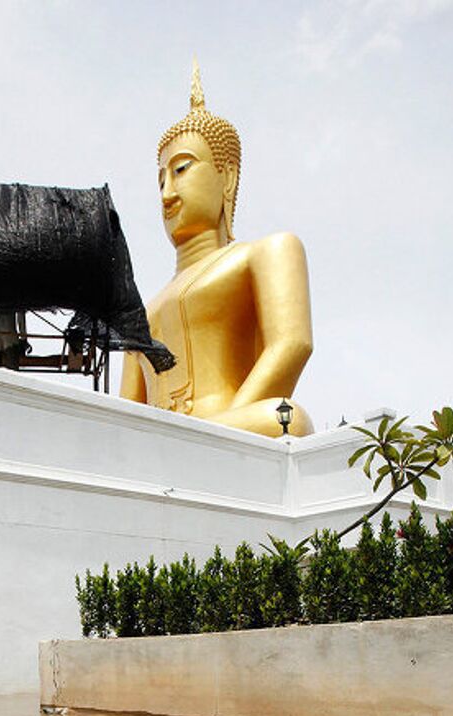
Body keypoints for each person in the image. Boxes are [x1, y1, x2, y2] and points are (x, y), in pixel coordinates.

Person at [120, 63, 314, 438]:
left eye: (180, 170)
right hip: (158, 440)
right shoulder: (141, 314)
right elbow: (128, 410)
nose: (167, 194)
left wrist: (214, 440)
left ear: (227, 176)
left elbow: (293, 343)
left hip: (231, 425)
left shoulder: (263, 253)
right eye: (160, 179)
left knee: (284, 415)